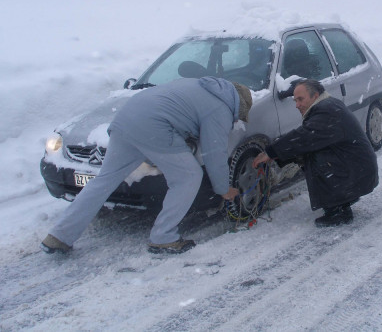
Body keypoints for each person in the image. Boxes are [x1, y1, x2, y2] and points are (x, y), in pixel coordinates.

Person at [41, 77, 252, 255]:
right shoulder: (221, 109)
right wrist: (224, 189)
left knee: (104, 180)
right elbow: (214, 153)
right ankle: (163, 236)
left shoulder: (200, 86)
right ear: (239, 106)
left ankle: (59, 236)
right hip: (154, 126)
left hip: (125, 120)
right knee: (188, 176)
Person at [252, 79, 378, 227]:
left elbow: (304, 137)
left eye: (300, 99)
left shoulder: (327, 111)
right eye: (295, 101)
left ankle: (338, 210)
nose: (297, 105)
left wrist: (271, 152)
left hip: (357, 173)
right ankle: (343, 199)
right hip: (358, 169)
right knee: (308, 152)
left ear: (315, 95)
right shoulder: (327, 105)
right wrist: (278, 154)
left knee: (315, 158)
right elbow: (306, 137)